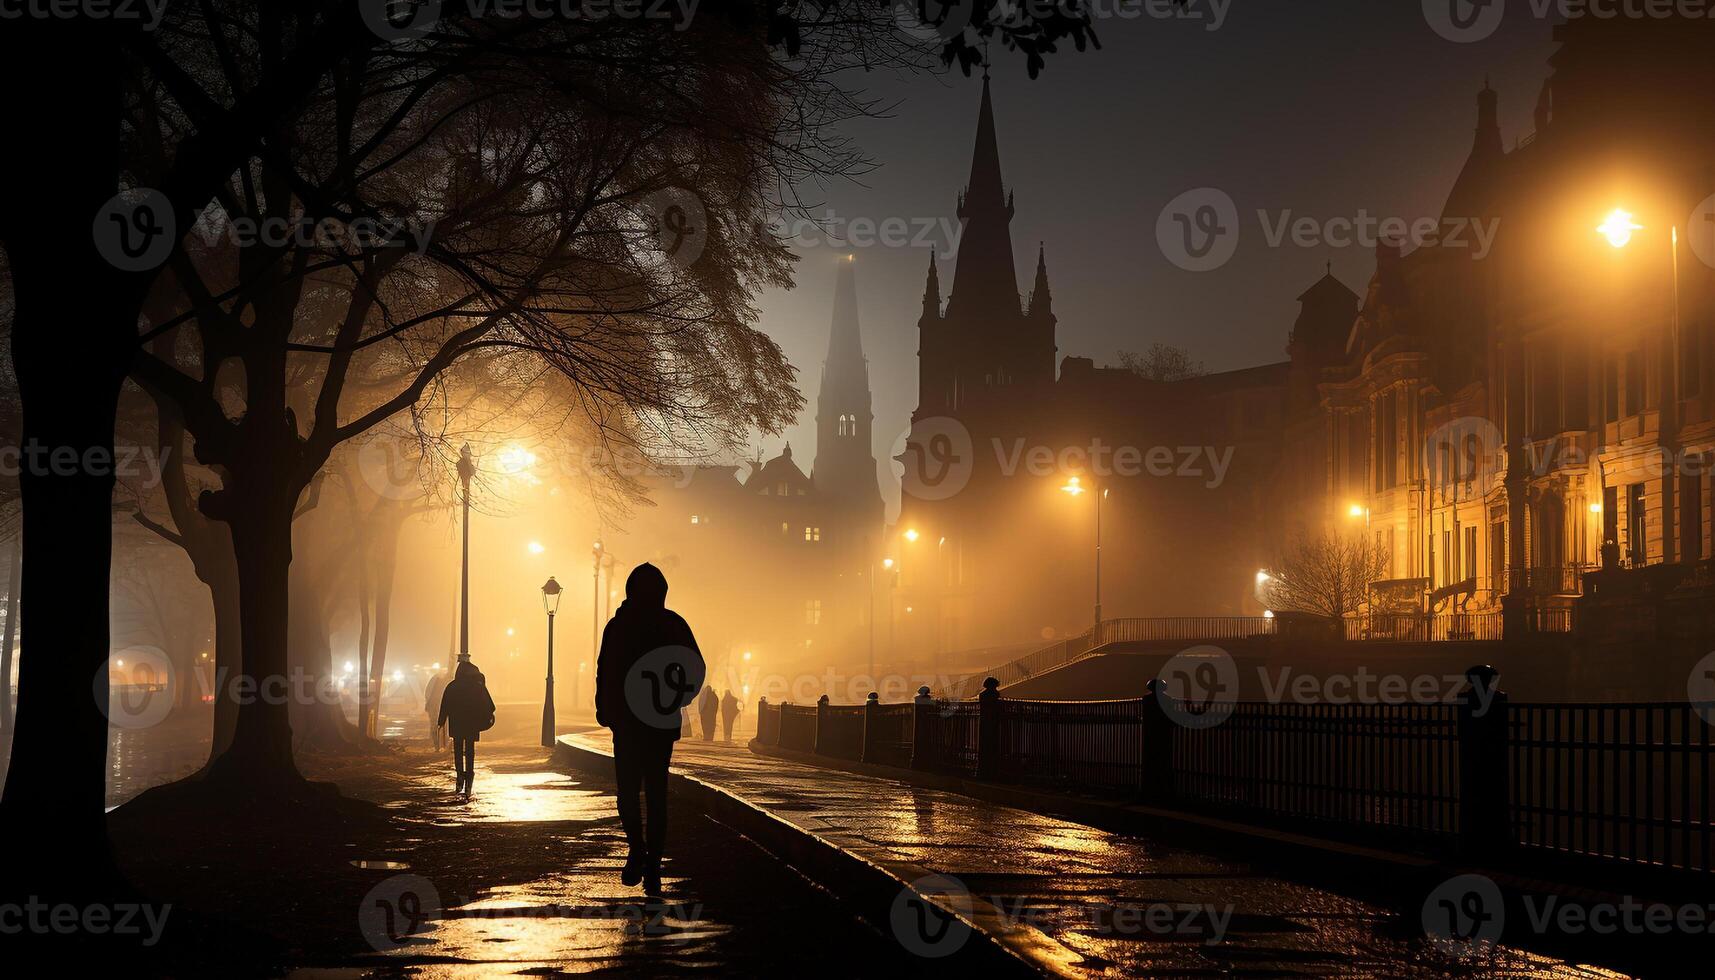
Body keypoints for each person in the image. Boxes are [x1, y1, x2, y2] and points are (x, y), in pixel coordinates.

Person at [595, 563, 704, 895]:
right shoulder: (673, 624)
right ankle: (653, 860)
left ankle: (636, 849)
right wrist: (673, 702)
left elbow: (606, 669)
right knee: (656, 793)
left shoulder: (618, 626)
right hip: (659, 722)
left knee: (627, 791)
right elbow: (692, 669)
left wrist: (606, 708)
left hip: (627, 723)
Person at [436, 659, 495, 798]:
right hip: (472, 724)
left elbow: (445, 705)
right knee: (470, 750)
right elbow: (490, 706)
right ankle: (469, 777)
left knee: (457, 750)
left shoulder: (452, 686)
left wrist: (441, 721)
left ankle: (459, 777)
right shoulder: (477, 686)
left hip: (456, 723)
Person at [424, 665, 449, 752]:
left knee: (435, 725)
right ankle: (439, 745)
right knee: (440, 725)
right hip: (436, 706)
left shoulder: (434, 680)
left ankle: (437, 746)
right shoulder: (445, 682)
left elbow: (427, 693)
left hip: (434, 706)